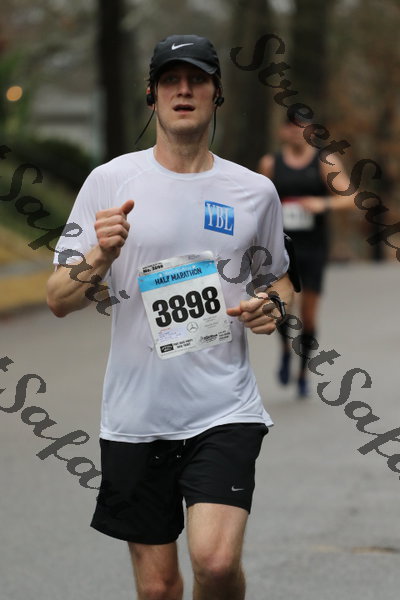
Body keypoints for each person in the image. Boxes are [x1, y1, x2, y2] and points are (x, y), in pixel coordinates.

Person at [47, 34, 293, 600]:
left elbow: (279, 278)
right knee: (158, 589)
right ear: (152, 94)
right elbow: (58, 297)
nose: (184, 90)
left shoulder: (254, 191)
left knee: (216, 563)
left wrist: (275, 307)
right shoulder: (109, 182)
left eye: (197, 79)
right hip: (137, 415)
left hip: (224, 407)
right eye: (171, 80)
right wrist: (100, 255)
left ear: (216, 93)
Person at [258, 118, 353, 398]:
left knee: (309, 316)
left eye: (302, 126)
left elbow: (349, 197)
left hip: (313, 248)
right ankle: (285, 351)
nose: (296, 132)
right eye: (290, 126)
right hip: (281, 248)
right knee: (282, 307)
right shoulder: (270, 163)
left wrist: (322, 203)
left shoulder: (325, 161)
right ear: (282, 130)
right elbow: (258, 201)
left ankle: (302, 373)